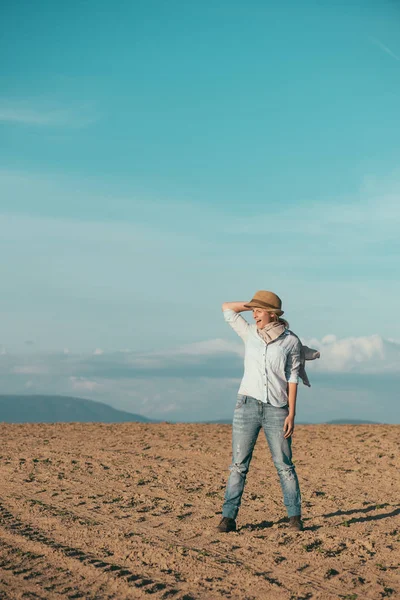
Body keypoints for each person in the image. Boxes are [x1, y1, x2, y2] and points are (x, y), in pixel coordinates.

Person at [217, 290, 305, 533]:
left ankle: (294, 517)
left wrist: (291, 413)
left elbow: (292, 377)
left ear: (272, 313)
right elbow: (226, 307)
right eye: (253, 311)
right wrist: (252, 304)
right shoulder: (249, 333)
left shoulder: (290, 341)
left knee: (284, 464)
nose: (254, 315)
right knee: (238, 465)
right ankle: (228, 518)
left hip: (277, 408)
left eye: (259, 310)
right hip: (246, 406)